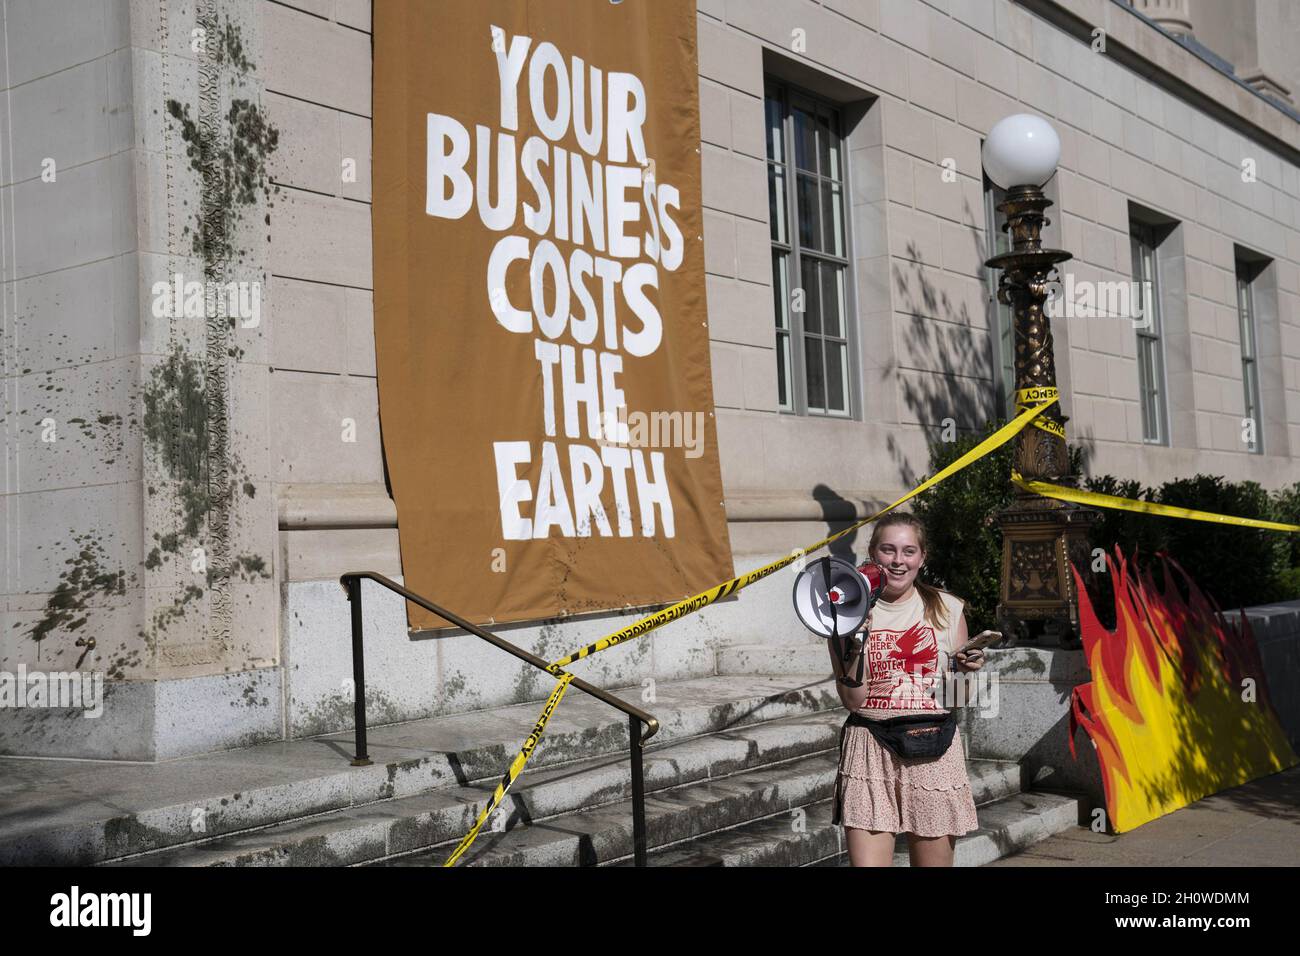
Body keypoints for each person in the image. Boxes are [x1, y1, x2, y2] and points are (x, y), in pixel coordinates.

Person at [825, 512, 987, 867]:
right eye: (888, 550)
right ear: (872, 553)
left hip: (933, 748)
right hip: (870, 748)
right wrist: (854, 642)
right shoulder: (845, 613)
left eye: (908, 551)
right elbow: (854, 700)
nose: (898, 561)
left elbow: (956, 701)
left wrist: (965, 672)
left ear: (922, 558)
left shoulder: (947, 608)